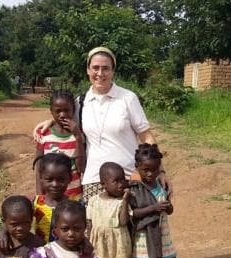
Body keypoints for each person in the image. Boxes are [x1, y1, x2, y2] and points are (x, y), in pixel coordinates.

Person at [33, 46, 171, 204]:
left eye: (106, 68)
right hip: (93, 181)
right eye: (95, 68)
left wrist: (160, 170)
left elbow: (146, 136)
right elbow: (64, 117)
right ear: (87, 69)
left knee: (134, 226)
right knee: (97, 228)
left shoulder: (127, 98)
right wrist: (49, 121)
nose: (100, 73)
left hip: (129, 178)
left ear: (113, 71)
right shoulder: (81, 102)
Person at [129, 143, 186, 258]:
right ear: (137, 167)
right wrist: (153, 208)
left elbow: (169, 210)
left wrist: (168, 207)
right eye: (145, 170)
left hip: (163, 238)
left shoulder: (161, 185)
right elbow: (133, 214)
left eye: (154, 170)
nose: (150, 174)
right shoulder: (133, 189)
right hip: (143, 242)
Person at [34, 90, 85, 201]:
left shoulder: (79, 134)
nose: (62, 115)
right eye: (58, 111)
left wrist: (77, 137)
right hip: (49, 197)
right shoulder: (43, 134)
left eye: (67, 110)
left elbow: (81, 167)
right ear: (51, 111)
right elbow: (39, 168)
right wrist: (39, 196)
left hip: (74, 195)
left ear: (74, 110)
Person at [31, 153, 74, 243]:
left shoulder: (75, 205)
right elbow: (15, 219)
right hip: (41, 254)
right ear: (41, 178)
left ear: (70, 178)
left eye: (61, 180)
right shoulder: (35, 203)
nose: (55, 185)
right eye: (49, 180)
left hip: (66, 254)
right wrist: (3, 233)